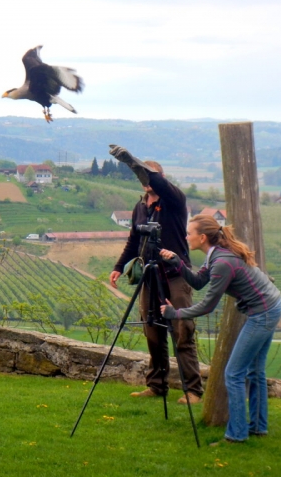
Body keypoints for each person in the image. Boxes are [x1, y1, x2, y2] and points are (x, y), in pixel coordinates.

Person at [159, 214, 281, 443]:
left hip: (263, 313)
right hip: (270, 306)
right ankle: (258, 427)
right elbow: (197, 282)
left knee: (234, 373)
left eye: (189, 233)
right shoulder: (214, 255)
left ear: (202, 237)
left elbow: (207, 305)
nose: (187, 237)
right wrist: (177, 262)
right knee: (255, 372)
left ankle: (236, 435)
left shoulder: (222, 262)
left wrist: (174, 314)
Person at [109, 145, 203, 405]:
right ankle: (157, 385)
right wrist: (119, 266)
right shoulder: (140, 207)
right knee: (152, 333)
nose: (146, 182)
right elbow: (133, 240)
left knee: (182, 332)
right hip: (150, 277)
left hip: (176, 275)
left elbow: (158, 182)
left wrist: (135, 162)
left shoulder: (174, 201)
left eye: (150, 176)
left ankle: (193, 391)